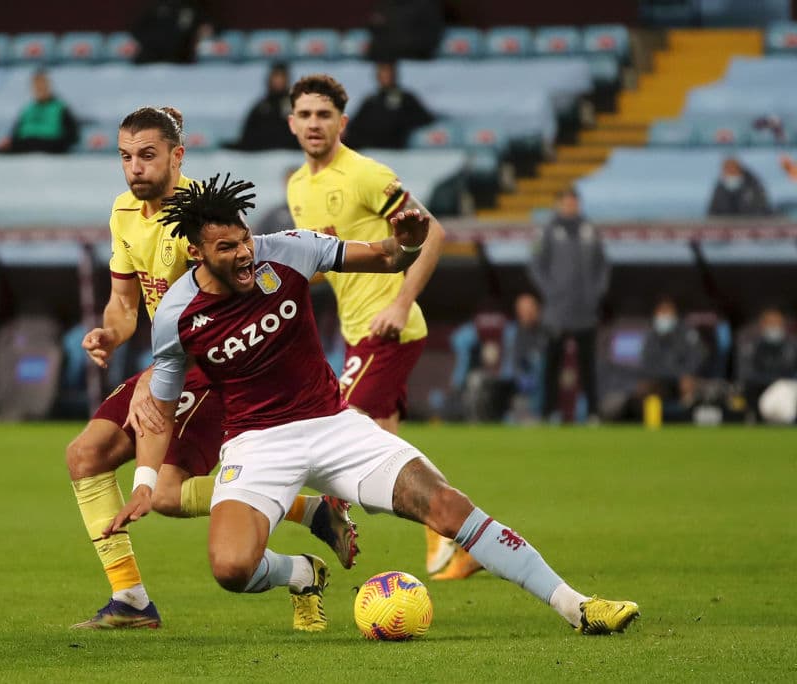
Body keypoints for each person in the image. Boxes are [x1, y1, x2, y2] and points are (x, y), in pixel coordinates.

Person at [106, 175, 639, 637]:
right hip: (256, 444)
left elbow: (385, 257)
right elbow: (161, 406)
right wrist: (146, 483)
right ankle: (301, 573)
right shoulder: (177, 313)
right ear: (197, 254)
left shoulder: (289, 249)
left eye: (244, 239)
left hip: (334, 426)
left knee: (448, 507)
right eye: (226, 248)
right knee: (230, 568)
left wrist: (404, 244)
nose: (244, 254)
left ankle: (577, 606)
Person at [68, 106, 356, 631]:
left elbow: (220, 311)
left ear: (178, 157)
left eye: (147, 156)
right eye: (126, 157)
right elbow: (125, 304)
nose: (135, 169)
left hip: (214, 369)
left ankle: (296, 529)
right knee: (92, 460)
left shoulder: (208, 219)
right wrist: (110, 332)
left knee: (161, 493)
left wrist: (157, 380)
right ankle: (132, 598)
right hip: (169, 368)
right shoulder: (124, 214)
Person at [284, 74, 469, 579]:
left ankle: (332, 518)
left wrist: (401, 302)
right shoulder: (298, 186)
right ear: (292, 123)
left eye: (325, 115)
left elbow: (433, 232)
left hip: (388, 329)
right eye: (306, 115)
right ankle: (458, 534)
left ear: (342, 122)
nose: (315, 123)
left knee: (333, 431)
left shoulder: (365, 174)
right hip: (355, 332)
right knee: (386, 448)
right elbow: (328, 260)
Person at [528, 188, 609, 423]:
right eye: (567, 203)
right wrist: (552, 291)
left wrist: (596, 292)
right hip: (557, 311)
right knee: (552, 363)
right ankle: (547, 412)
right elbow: (536, 265)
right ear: (559, 204)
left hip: (585, 310)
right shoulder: (548, 231)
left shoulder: (589, 230)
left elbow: (603, 265)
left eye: (575, 202)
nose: (572, 207)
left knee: (588, 364)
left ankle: (593, 412)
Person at [631, 297, 706, 418]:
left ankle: (686, 417)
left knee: (688, 384)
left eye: (667, 312)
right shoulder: (651, 336)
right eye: (661, 312)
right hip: (659, 378)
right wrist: (658, 375)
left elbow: (697, 357)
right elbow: (646, 362)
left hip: (681, 377)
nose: (664, 316)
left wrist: (684, 373)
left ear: (675, 314)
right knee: (643, 387)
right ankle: (646, 419)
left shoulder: (687, 333)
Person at [345, 62, 435, 150]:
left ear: (395, 75)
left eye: (389, 72)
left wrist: (401, 123)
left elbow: (425, 118)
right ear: (377, 76)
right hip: (369, 147)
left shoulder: (406, 98)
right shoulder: (371, 100)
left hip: (394, 146)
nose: (386, 76)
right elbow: (355, 124)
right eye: (383, 73)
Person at [0, 70, 80, 155]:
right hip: (25, 150)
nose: (39, 88)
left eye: (42, 84)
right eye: (36, 85)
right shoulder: (27, 110)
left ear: (48, 86)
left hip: (51, 150)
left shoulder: (60, 109)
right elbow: (15, 135)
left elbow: (73, 137)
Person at [738, 307, 797, 421]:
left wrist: (784, 382)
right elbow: (746, 373)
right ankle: (755, 418)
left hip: (789, 387)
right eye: (771, 323)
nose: (774, 327)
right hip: (761, 388)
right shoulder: (752, 345)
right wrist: (776, 382)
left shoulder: (792, 345)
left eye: (777, 323)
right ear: (762, 325)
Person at [500, 293, 547, 422]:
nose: (529, 313)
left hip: (541, 385)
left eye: (532, 309)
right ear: (518, 312)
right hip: (518, 384)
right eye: (525, 310)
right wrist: (520, 376)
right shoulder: (512, 332)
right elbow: (512, 364)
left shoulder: (545, 332)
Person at [234, 62, 296, 152]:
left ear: (287, 80)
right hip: (261, 158)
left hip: (290, 157)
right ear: (269, 80)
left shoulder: (296, 107)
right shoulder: (260, 108)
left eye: (282, 77)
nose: (278, 81)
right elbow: (247, 139)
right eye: (275, 77)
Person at [131, 0, 209, 64]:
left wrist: (200, 36)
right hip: (150, 58)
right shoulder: (156, 7)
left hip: (180, 58)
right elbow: (137, 29)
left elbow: (207, 28)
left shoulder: (192, 8)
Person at [367, 0, 444, 62]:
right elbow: (374, 29)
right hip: (386, 59)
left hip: (417, 60)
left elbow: (432, 34)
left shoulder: (426, 5)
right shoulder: (385, 5)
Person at [707, 157, 771, 217]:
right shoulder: (719, 190)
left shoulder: (753, 187)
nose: (730, 175)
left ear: (739, 170)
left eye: (733, 171)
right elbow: (712, 213)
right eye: (727, 172)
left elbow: (763, 211)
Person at [253, 167, 299, 236]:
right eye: (289, 182)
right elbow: (255, 240)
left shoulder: (315, 213)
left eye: (297, 182)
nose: (293, 187)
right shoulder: (273, 216)